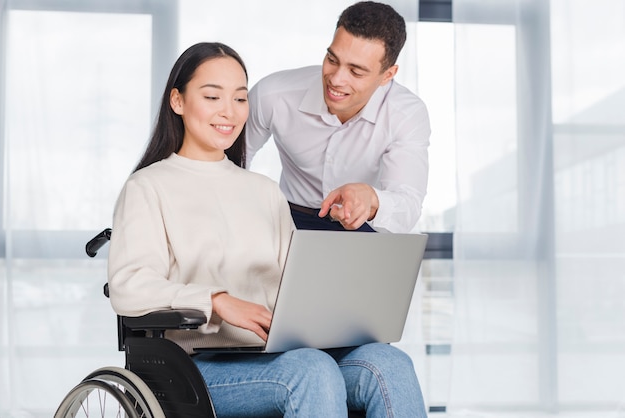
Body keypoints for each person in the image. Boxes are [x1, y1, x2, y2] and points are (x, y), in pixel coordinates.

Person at [107, 42, 427, 417]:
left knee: (387, 363)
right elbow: (128, 286)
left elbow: (294, 285)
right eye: (212, 97)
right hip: (195, 369)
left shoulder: (263, 191)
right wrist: (216, 301)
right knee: (311, 371)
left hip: (275, 356)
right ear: (177, 101)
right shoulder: (148, 187)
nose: (229, 112)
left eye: (241, 99)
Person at [246, 1, 431, 233]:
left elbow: (408, 204)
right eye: (332, 60)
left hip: (365, 222)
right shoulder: (273, 94)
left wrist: (372, 199)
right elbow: (231, 163)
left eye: (356, 71)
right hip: (289, 217)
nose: (336, 79)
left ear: (388, 75)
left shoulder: (406, 114)